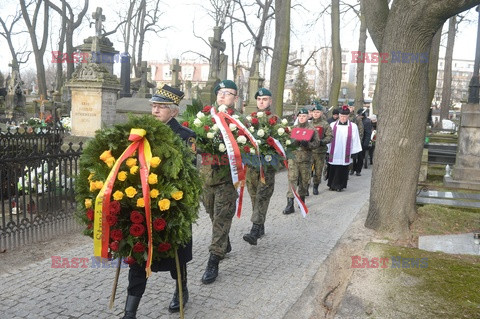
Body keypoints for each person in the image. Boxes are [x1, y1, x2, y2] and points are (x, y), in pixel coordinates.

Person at [123, 85, 196, 318]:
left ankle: (181, 290)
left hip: (171, 206)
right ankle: (129, 312)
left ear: (173, 112)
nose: (155, 110)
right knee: (138, 255)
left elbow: (190, 174)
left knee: (176, 254)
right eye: (153, 106)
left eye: (161, 107)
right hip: (142, 205)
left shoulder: (186, 136)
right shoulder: (142, 133)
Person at [200, 79, 239, 284]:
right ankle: (224, 242)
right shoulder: (205, 118)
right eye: (220, 93)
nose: (223, 96)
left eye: (228, 93)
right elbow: (194, 142)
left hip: (227, 179)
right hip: (206, 177)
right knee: (212, 212)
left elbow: (247, 149)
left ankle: (213, 260)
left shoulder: (241, 123)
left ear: (236, 98)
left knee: (222, 218)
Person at [243, 88, 276, 245]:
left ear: (270, 101)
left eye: (265, 99)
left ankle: (254, 230)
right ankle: (260, 225)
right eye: (259, 99)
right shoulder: (249, 120)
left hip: (266, 168)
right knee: (254, 197)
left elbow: (281, 144)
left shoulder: (276, 121)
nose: (261, 102)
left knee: (262, 197)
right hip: (251, 167)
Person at [283, 108, 320, 214]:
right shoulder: (293, 128)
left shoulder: (312, 129)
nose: (301, 118)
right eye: (300, 116)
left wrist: (307, 144)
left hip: (305, 159)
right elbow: (286, 142)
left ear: (308, 117)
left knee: (304, 180)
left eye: (304, 116)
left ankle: (302, 200)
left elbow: (317, 143)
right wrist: (291, 143)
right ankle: (290, 204)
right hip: (293, 158)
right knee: (292, 180)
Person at [327, 105, 362, 192]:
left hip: (345, 151)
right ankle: (331, 184)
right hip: (334, 150)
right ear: (339, 116)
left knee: (342, 168)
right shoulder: (332, 125)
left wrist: (354, 152)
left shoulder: (353, 126)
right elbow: (329, 138)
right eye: (341, 116)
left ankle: (340, 185)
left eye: (345, 116)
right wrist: (327, 149)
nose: (343, 118)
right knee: (333, 166)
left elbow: (355, 139)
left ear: (348, 116)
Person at [310, 104, 332, 195]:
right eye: (314, 112)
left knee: (318, 170)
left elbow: (330, 136)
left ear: (321, 113)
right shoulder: (309, 123)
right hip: (309, 151)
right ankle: (305, 187)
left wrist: (323, 141)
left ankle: (316, 186)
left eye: (317, 112)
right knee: (307, 170)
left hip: (320, 151)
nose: (315, 114)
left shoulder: (325, 124)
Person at [352, 108, 371, 175]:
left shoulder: (367, 121)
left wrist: (366, 143)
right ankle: (353, 169)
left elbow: (368, 133)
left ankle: (358, 170)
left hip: (362, 142)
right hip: (355, 141)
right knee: (354, 156)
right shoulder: (355, 120)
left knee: (360, 157)